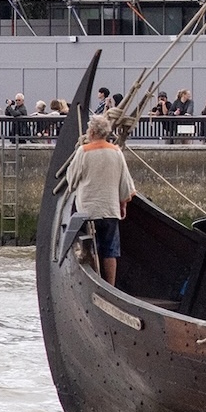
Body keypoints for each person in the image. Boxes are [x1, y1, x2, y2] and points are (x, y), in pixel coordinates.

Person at [63, 114, 137, 286]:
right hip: (110, 210)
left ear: (94, 131)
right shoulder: (116, 151)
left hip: (88, 211)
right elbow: (125, 183)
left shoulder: (84, 151)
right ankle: (110, 286)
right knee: (111, 251)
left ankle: (96, 282)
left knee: (93, 247)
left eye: (89, 129)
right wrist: (123, 204)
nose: (88, 132)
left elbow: (71, 180)